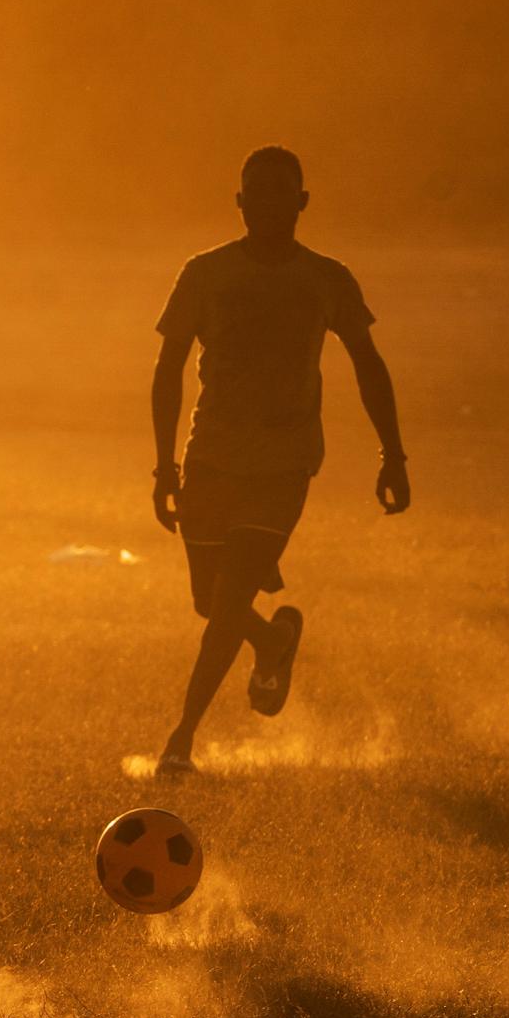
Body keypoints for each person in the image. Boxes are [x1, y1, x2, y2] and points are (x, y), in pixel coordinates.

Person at [149, 147, 409, 776]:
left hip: (283, 463)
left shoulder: (327, 278)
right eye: (254, 193)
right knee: (211, 603)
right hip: (209, 455)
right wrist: (165, 467)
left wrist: (393, 454)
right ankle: (274, 639)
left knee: (231, 595)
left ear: (302, 201)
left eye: (280, 192)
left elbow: (368, 363)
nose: (266, 203)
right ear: (239, 203)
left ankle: (181, 740)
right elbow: (169, 368)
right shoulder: (204, 273)